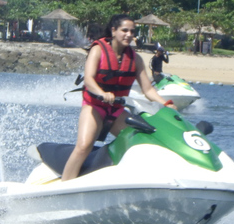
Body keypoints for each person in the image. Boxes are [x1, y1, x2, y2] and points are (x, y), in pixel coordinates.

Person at [62, 14, 178, 181]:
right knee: (83, 146)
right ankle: (64, 185)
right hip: (94, 107)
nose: (129, 35)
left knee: (141, 144)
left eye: (132, 31)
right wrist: (102, 94)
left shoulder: (135, 59)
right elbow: (89, 80)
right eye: (124, 30)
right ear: (114, 31)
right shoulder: (97, 51)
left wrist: (165, 103)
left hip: (116, 112)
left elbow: (148, 89)